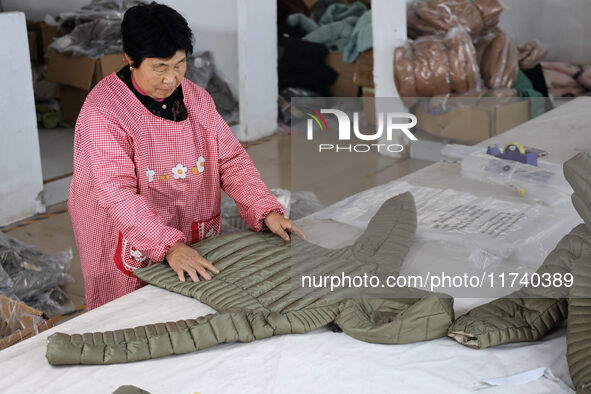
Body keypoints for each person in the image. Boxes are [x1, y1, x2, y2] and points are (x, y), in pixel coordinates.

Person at [68, 2, 302, 310]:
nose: (171, 79)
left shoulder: (196, 98)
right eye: (160, 68)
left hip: (188, 221)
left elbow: (230, 161)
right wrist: (168, 246)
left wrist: (264, 210)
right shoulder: (105, 112)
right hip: (125, 232)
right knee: (131, 315)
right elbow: (117, 193)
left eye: (180, 65)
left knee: (191, 306)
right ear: (129, 60)